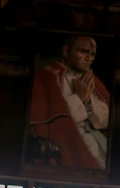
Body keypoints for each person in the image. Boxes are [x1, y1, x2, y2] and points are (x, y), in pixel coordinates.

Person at [28, 35, 110, 170]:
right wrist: (79, 97)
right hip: (65, 142)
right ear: (66, 51)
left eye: (92, 54)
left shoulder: (91, 80)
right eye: (83, 52)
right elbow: (56, 119)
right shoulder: (48, 77)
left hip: (94, 143)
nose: (89, 58)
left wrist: (88, 100)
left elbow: (103, 121)